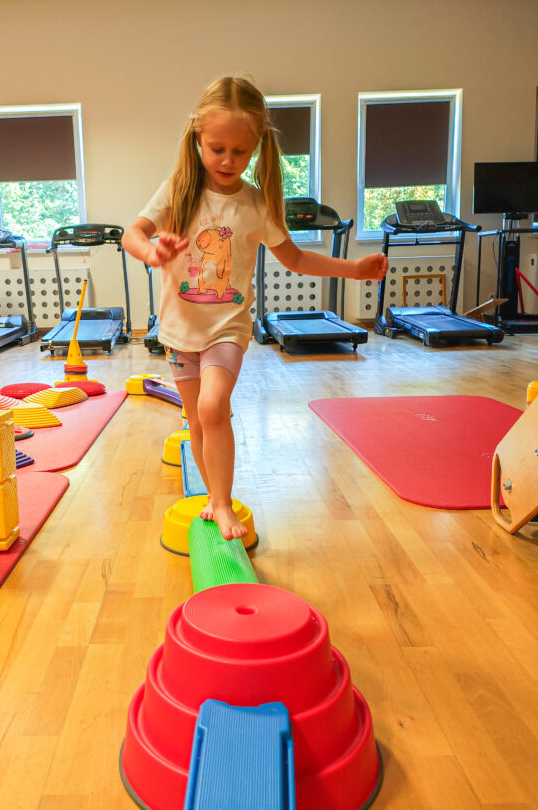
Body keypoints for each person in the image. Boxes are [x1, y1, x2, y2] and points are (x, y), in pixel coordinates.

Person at [123, 76, 388, 541]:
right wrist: (151, 251)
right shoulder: (178, 190)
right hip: (179, 330)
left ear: (257, 148)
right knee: (197, 420)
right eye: (217, 148)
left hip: (227, 328)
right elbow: (133, 233)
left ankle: (223, 506)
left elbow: (296, 258)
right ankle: (213, 497)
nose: (228, 160)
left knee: (213, 406)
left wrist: (354, 270)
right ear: (198, 139)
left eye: (240, 151)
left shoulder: (255, 205)